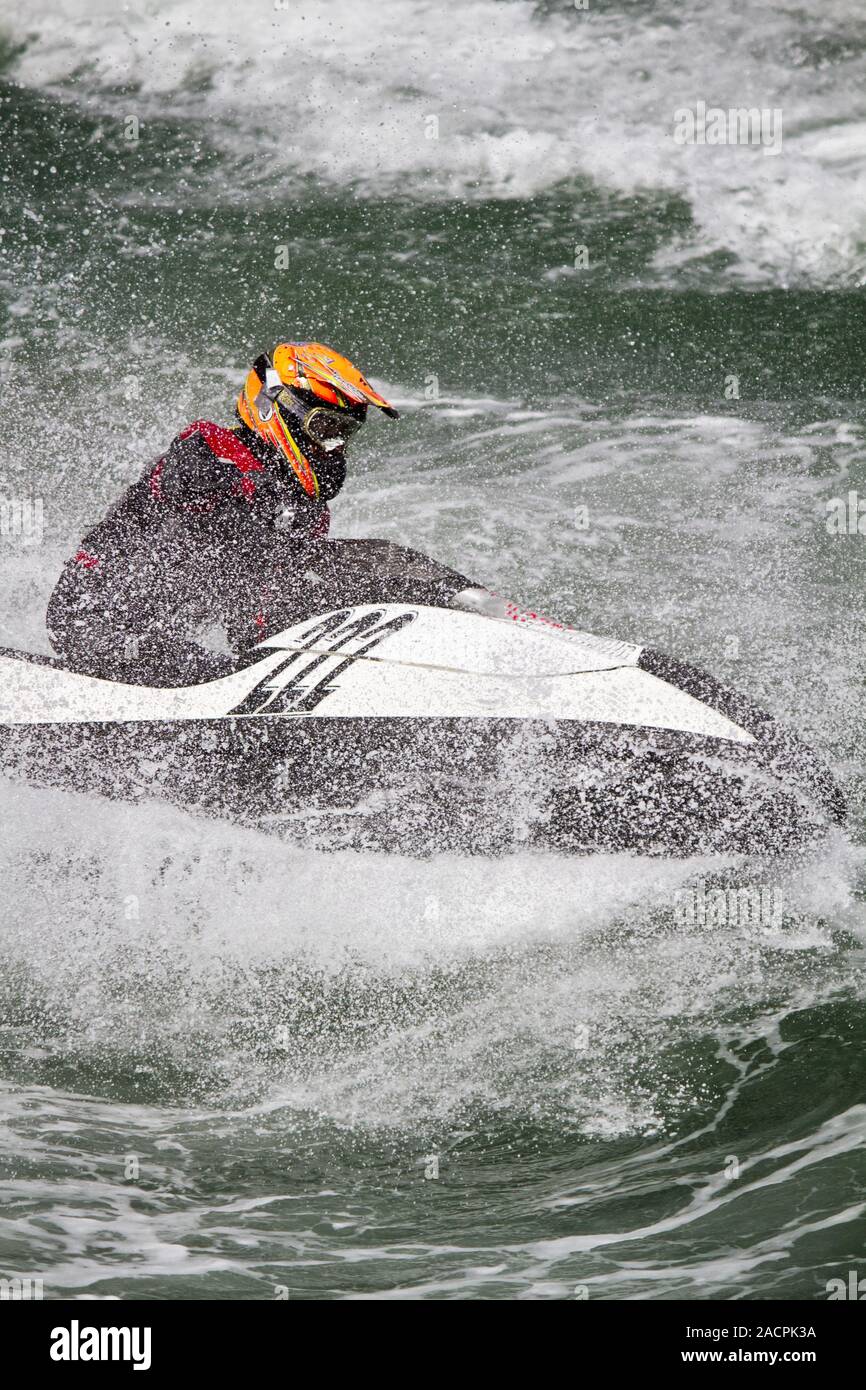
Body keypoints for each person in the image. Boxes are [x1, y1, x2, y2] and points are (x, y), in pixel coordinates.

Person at [46, 342, 401, 684]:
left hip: (159, 640)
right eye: (325, 430)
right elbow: (179, 484)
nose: (333, 447)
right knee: (227, 673)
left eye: (343, 435)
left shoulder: (305, 512)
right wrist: (243, 488)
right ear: (278, 407)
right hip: (91, 620)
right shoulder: (208, 449)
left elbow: (255, 619)